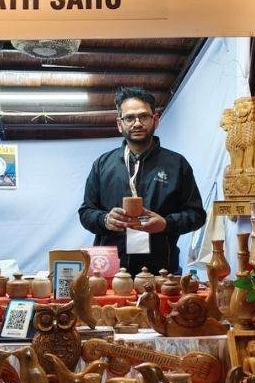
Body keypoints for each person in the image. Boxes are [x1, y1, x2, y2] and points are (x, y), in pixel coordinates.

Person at [78, 87, 205, 274]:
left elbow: (197, 215)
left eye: (143, 117)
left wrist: (166, 224)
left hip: (161, 270)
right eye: (129, 118)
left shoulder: (177, 164)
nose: (137, 123)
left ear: (156, 120)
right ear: (120, 124)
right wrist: (105, 219)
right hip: (110, 270)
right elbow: (86, 212)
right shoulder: (102, 164)